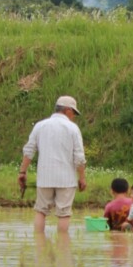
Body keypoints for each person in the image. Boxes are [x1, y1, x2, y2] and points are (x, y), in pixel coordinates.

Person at [18, 96, 87, 233]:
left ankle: (39, 245)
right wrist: (82, 178)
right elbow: (79, 157)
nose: (73, 116)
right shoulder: (72, 128)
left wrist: (22, 172)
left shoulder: (40, 125)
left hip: (45, 177)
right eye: (73, 113)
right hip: (66, 180)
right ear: (68, 110)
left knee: (40, 211)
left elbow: (29, 150)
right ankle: (62, 246)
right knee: (64, 213)